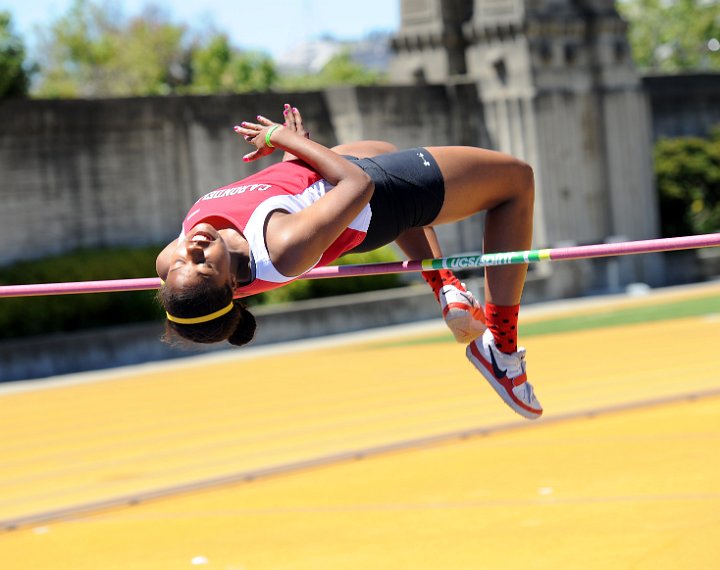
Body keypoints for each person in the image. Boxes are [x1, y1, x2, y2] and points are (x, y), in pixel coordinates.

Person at [156, 104, 541, 420]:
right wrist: (279, 136)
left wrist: (293, 154)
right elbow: (358, 184)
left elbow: (283, 195)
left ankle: (446, 287)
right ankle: (501, 350)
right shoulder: (282, 247)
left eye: (179, 266)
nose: (191, 248)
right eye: (204, 263)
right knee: (516, 181)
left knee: (382, 145)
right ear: (232, 285)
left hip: (322, 182)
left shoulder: (171, 259)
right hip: (379, 195)